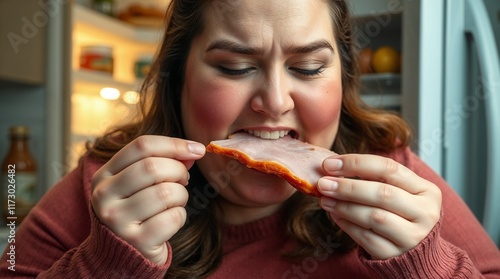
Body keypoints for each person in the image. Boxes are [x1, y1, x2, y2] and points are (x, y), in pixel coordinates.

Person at [2, 0, 500, 278]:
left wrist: (427, 266)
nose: (275, 100)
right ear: (178, 79)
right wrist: (104, 266)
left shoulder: (392, 175)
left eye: (308, 67)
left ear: (342, 78)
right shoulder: (108, 189)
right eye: (235, 67)